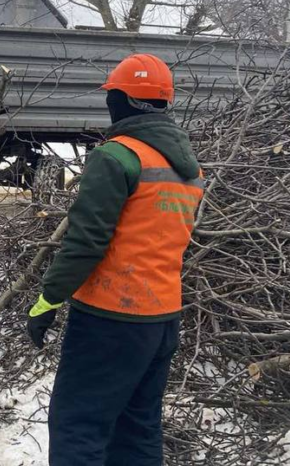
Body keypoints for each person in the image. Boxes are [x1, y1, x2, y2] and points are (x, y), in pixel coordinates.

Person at [26, 54, 204, 465]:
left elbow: (86, 242)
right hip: (162, 318)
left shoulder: (117, 156)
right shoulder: (188, 166)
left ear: (123, 100)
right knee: (137, 429)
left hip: (111, 318)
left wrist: (48, 299)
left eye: (113, 95)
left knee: (78, 426)